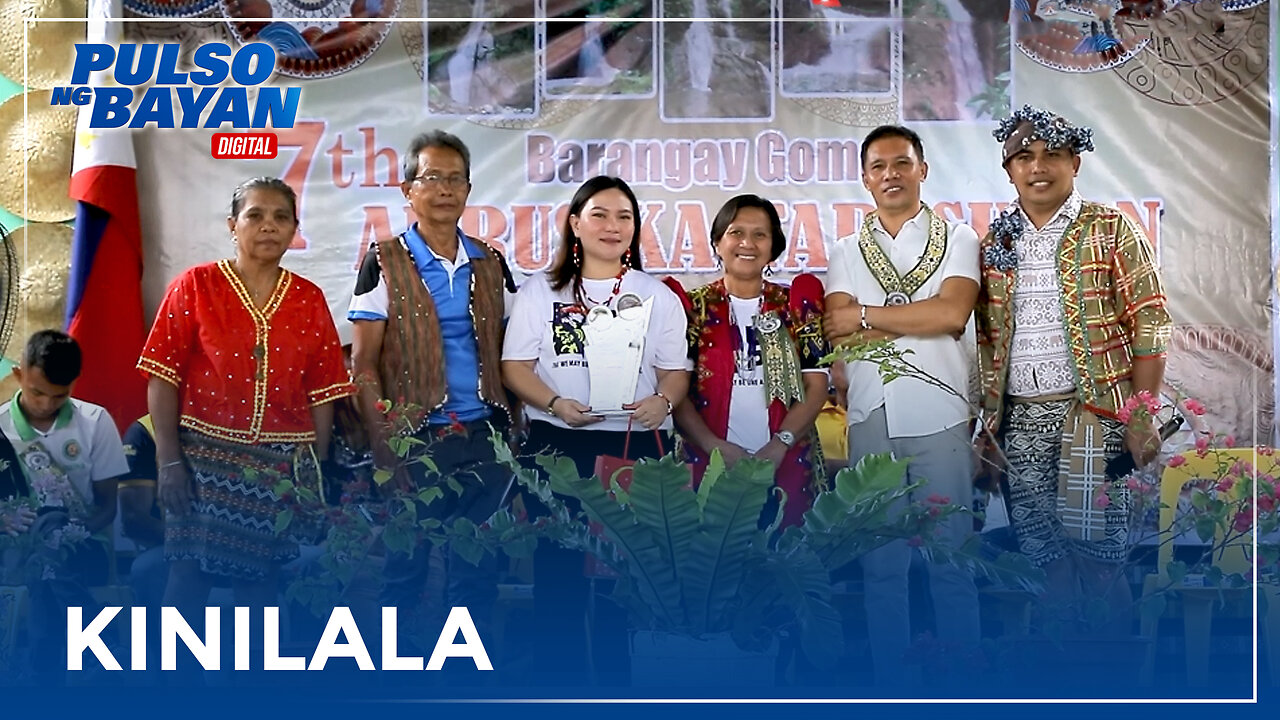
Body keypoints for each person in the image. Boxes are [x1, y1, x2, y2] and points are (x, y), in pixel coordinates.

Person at [137, 177, 354, 664]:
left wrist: (313, 470)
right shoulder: (195, 286)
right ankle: (177, 692)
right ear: (233, 225)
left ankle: (249, 691)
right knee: (186, 572)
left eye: (281, 217)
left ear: (295, 230)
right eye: (255, 215)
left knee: (261, 580)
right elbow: (161, 377)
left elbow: (321, 393)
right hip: (200, 458)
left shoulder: (308, 298)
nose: (268, 226)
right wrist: (169, 461)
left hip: (278, 464)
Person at [975, 106, 1172, 632]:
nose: (1038, 167)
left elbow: (1150, 323)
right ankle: (1063, 687)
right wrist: (988, 431)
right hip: (1020, 426)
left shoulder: (1111, 228)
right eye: (1024, 156)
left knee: (1100, 563)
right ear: (1008, 167)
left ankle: (1121, 693)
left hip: (1092, 419)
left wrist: (1140, 417)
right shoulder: (997, 241)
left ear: (1075, 163)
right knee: (1045, 564)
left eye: (1052, 155)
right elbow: (987, 341)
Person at [501, 175, 690, 684]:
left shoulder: (658, 295)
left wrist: (663, 400)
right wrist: (555, 402)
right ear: (575, 223)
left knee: (626, 578)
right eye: (600, 215)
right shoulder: (542, 291)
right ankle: (556, 688)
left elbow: (677, 371)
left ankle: (621, 687)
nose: (613, 226)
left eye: (624, 217)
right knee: (558, 574)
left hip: (635, 446)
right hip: (557, 446)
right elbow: (515, 367)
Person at [823, 125, 983, 685]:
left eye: (901, 162)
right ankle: (891, 685)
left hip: (940, 412)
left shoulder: (959, 237)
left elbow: (951, 316)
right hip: (872, 414)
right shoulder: (845, 249)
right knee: (881, 565)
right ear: (865, 178)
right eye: (878, 166)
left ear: (922, 169)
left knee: (951, 560)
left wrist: (869, 316)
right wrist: (910, 314)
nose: (890, 174)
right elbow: (839, 333)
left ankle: (962, 683)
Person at [348, 130, 517, 649]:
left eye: (455, 179)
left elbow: (514, 352)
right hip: (414, 440)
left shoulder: (492, 262)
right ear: (407, 189)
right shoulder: (384, 260)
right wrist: (383, 444)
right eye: (432, 178)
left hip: (484, 437)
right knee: (406, 567)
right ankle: (396, 679)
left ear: (469, 189)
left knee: (478, 570)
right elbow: (364, 364)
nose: (445, 189)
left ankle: (467, 679)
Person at [669, 194, 829, 530]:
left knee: (786, 567)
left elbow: (816, 386)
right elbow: (675, 389)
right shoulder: (690, 308)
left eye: (760, 234)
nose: (748, 243)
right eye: (736, 232)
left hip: (787, 462)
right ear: (717, 242)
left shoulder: (796, 305)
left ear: (774, 247)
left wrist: (779, 444)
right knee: (709, 570)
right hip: (706, 463)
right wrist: (713, 446)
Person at [0, 330, 128, 682]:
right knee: (46, 551)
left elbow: (107, 509)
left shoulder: (95, 422)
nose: (45, 405)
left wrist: (73, 531)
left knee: (51, 538)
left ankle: (41, 672)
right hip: (11, 547)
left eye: (59, 396)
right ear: (18, 374)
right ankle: (95, 643)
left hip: (82, 547)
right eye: (36, 392)